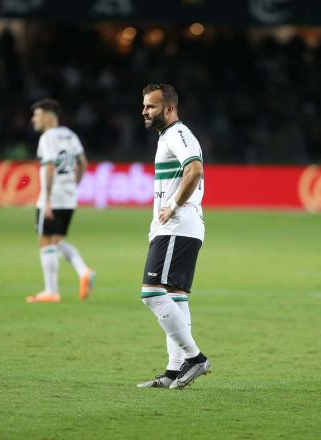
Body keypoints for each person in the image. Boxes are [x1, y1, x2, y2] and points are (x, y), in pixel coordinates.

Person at [137, 83, 211, 389]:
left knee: (152, 293)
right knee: (175, 296)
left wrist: (174, 206)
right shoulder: (167, 136)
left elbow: (194, 170)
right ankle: (173, 370)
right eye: (144, 106)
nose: (144, 111)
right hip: (176, 226)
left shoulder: (178, 134)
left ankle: (195, 358)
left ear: (169, 109)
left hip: (178, 224)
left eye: (151, 106)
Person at [26, 99, 95, 303]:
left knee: (45, 241)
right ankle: (83, 271)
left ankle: (51, 291)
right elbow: (83, 162)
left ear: (48, 116)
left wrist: (46, 200)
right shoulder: (70, 134)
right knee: (56, 241)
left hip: (53, 197)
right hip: (68, 197)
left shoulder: (47, 138)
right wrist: (74, 184)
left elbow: (48, 167)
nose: (33, 119)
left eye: (37, 115)